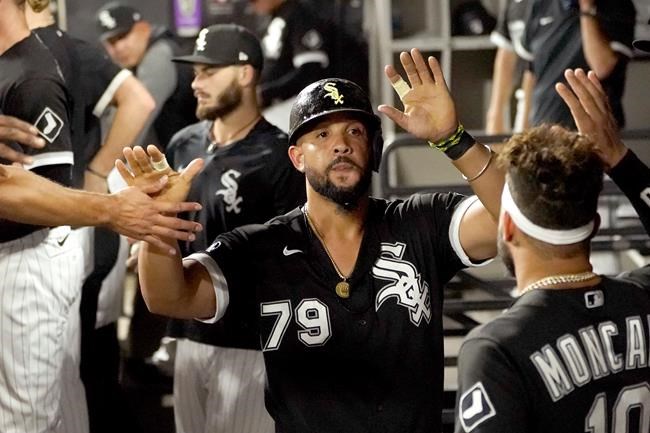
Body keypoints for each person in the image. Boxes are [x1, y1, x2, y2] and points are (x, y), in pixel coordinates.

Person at [124, 48, 504, 433]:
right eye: (322, 134)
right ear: (296, 157)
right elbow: (168, 296)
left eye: (354, 132)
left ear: (373, 149)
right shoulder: (260, 248)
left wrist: (454, 140)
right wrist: (155, 225)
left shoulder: (419, 222)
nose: (341, 145)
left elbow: (509, 219)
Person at [453, 69, 650, 433]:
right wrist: (620, 158)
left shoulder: (496, 350)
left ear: (507, 226)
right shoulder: (643, 297)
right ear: (594, 225)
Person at [164, 23, 305, 433]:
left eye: (209, 71)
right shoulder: (183, 143)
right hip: (188, 332)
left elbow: (292, 259)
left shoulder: (281, 155)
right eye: (195, 72)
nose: (196, 83)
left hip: (250, 343)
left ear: (246, 74)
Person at [486, 0, 636, 130]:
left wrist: (586, 9)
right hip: (544, 130)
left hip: (593, 135)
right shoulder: (537, 5)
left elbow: (602, 66)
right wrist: (522, 130)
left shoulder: (616, 4)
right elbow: (531, 70)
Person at [96, 1, 196, 151]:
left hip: (190, 159)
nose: (119, 47)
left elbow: (135, 124)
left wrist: (100, 169)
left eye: (123, 36)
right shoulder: (133, 63)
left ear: (144, 29)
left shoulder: (159, 54)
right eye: (111, 42)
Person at [249, 0, 331, 131]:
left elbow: (311, 71)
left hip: (296, 107)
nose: (252, 5)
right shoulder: (276, 17)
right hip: (273, 107)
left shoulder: (300, 15)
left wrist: (266, 94)